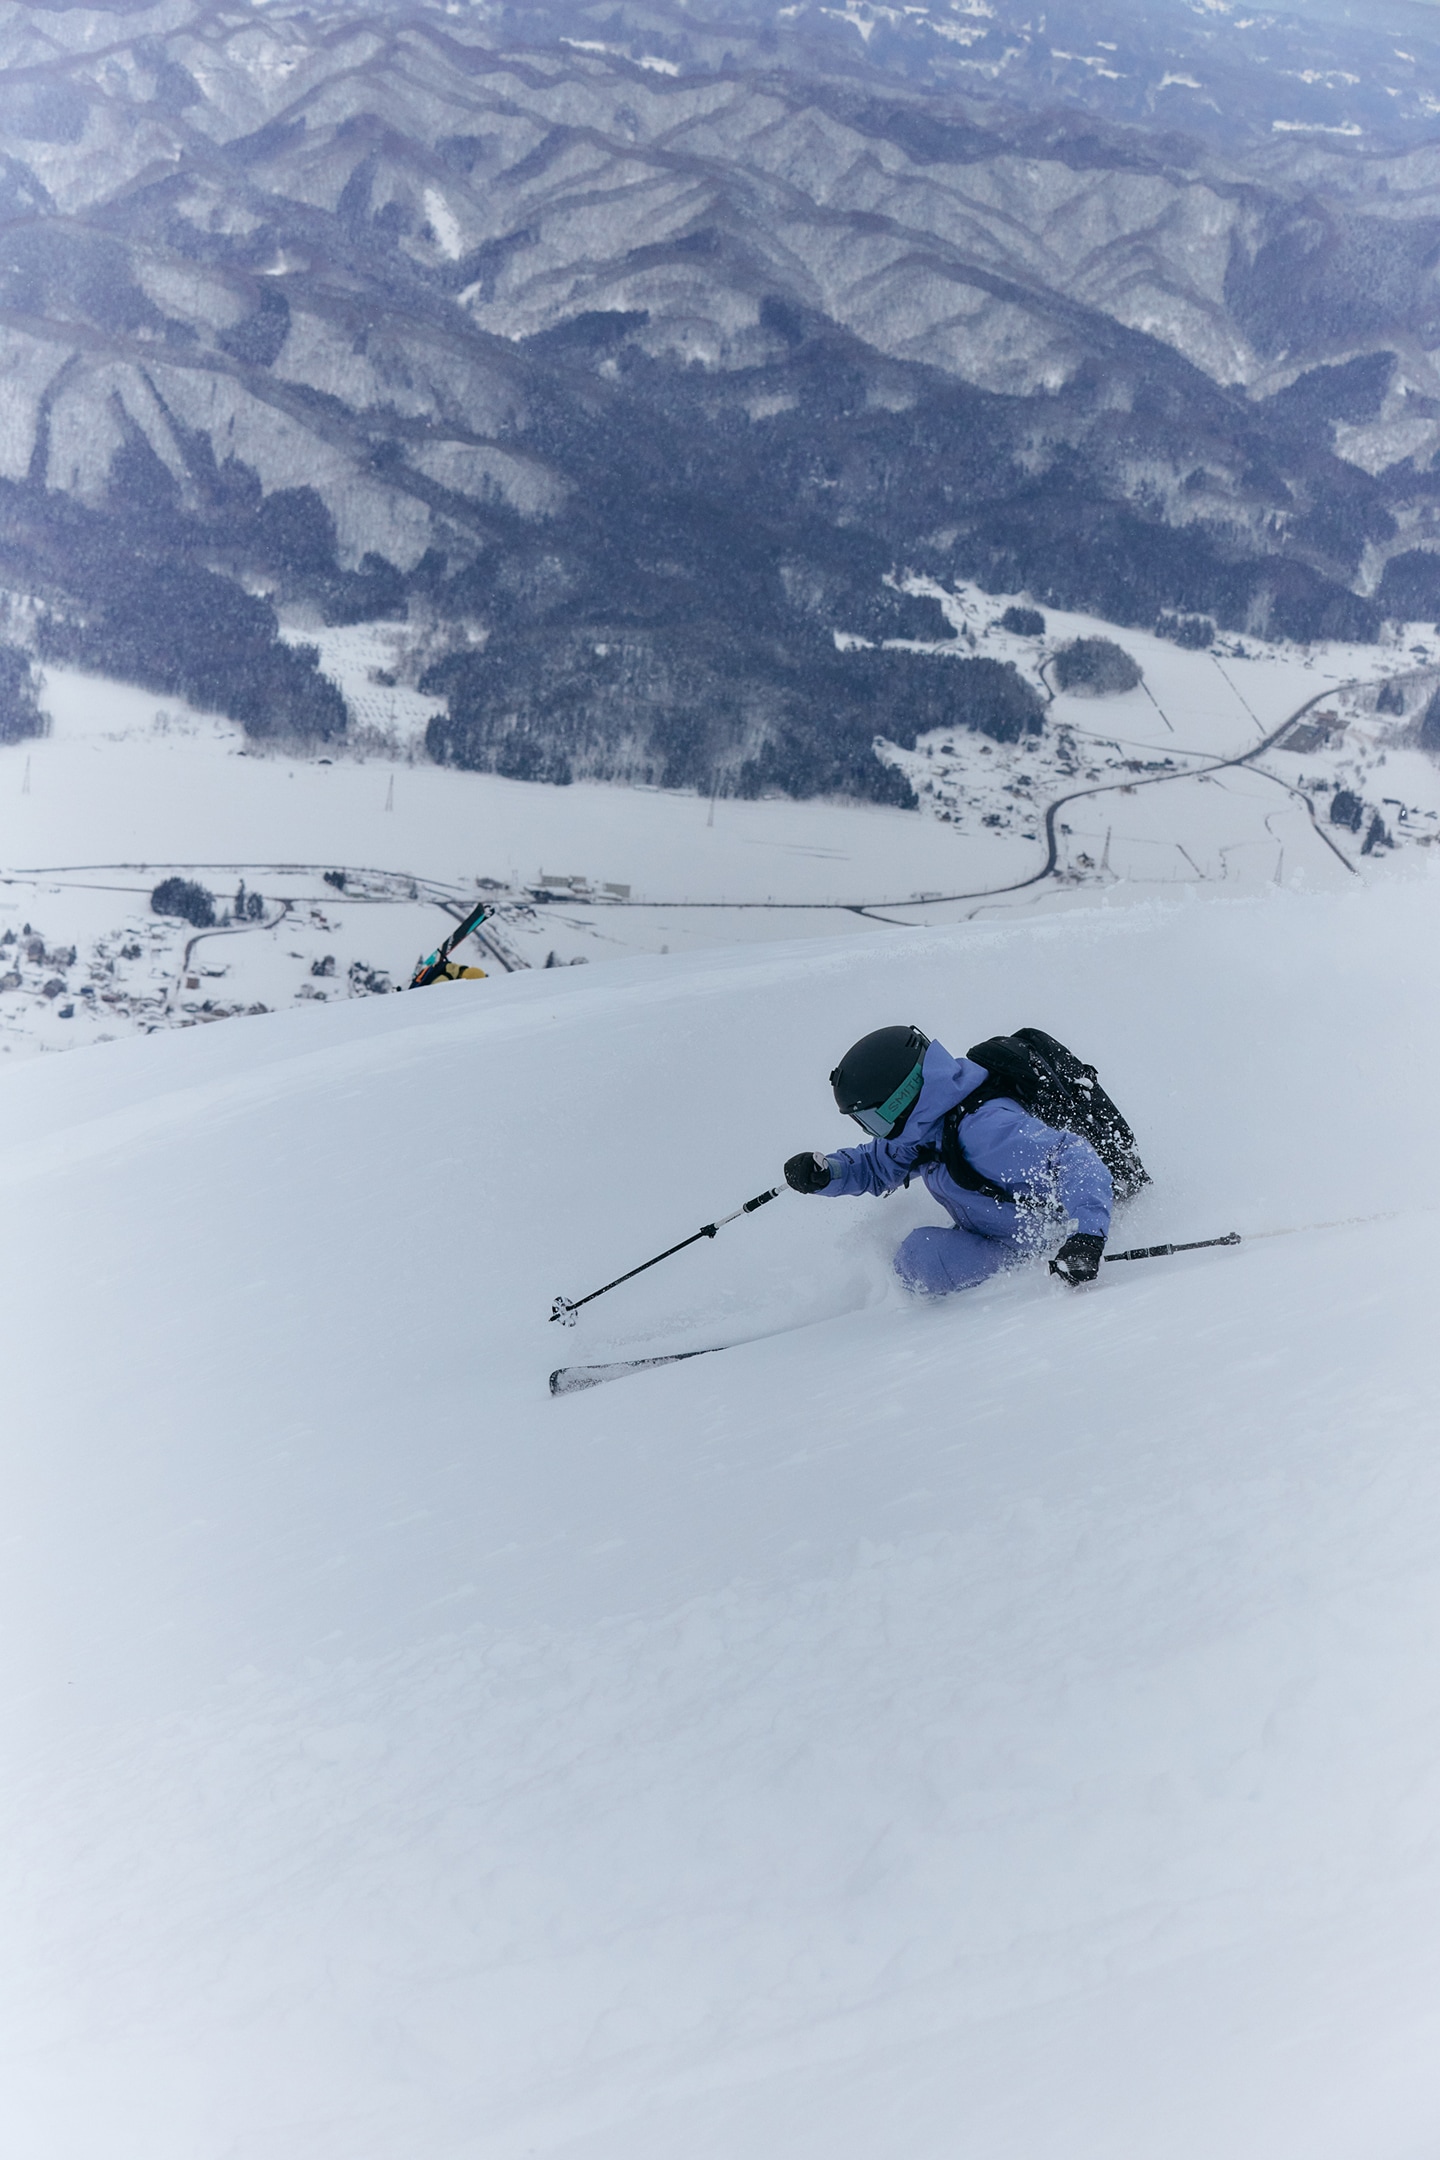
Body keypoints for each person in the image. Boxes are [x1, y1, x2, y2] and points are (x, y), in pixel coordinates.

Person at [784, 1024, 1112, 1294]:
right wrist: (828, 1173)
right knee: (917, 1258)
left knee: (921, 1259)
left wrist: (1086, 1237)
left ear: (900, 1099)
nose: (874, 1132)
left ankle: (939, 1311)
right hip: (996, 1231)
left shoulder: (984, 1131)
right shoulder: (926, 1126)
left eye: (873, 1120)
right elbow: (877, 1164)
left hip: (1039, 1245)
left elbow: (1074, 1157)